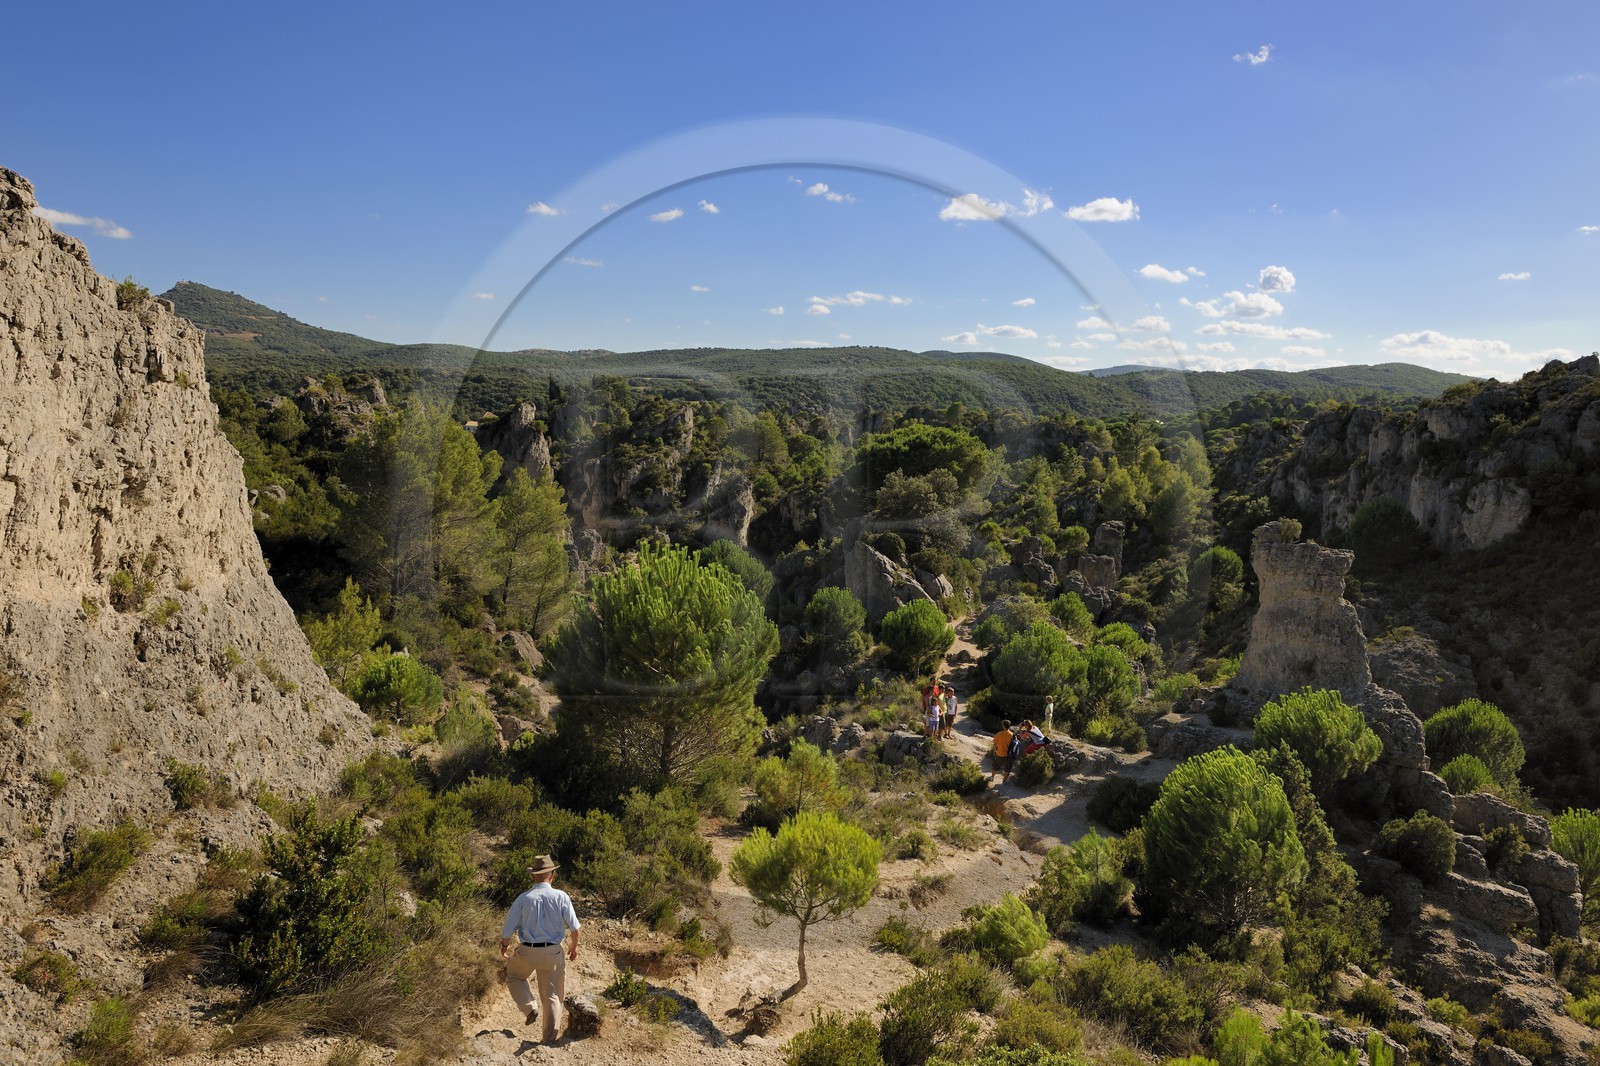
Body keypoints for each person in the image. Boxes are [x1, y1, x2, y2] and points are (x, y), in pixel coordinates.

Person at [500, 854, 582, 1043]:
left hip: (527, 950)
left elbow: (507, 931)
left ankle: (529, 1008)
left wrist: (505, 946)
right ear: (552, 875)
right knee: (553, 996)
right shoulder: (561, 896)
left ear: (532, 876)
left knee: (514, 977)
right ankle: (548, 1041)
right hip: (553, 951)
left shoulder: (523, 899)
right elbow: (575, 929)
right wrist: (574, 947)